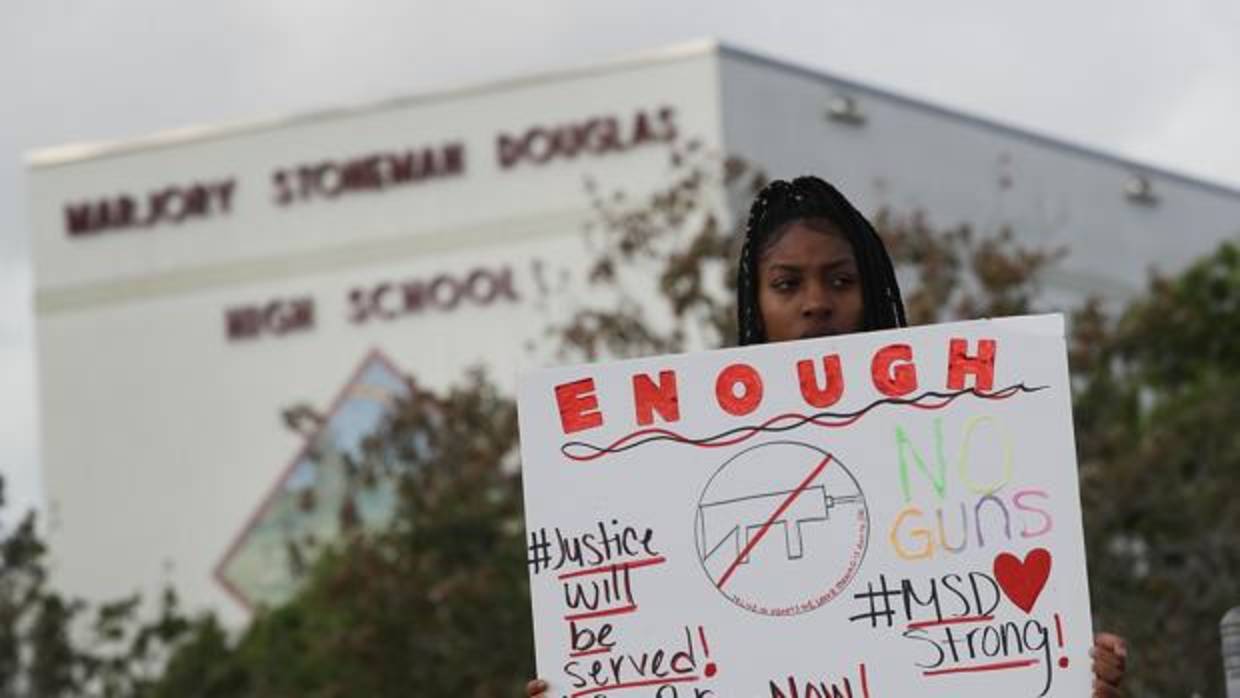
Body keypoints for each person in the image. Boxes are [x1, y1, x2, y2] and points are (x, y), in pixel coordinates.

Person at [527, 175, 1127, 697]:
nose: (817, 304)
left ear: (870, 289)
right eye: (787, 285)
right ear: (755, 303)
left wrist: (1078, 685)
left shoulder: (951, 426)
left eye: (840, 281)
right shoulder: (682, 464)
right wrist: (590, 682)